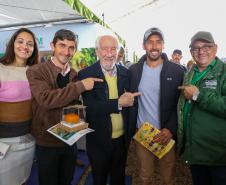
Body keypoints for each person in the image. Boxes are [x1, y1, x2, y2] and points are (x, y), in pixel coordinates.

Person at [26, 29, 102, 185]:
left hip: (69, 139)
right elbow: (46, 99)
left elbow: (73, 103)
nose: (66, 52)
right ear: (52, 45)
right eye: (62, 45)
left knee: (67, 180)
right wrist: (80, 86)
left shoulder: (74, 73)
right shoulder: (35, 71)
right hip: (47, 142)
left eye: (71, 47)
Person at [78, 34, 140, 185]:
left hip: (121, 140)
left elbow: (132, 104)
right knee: (99, 178)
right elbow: (91, 109)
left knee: (118, 177)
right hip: (98, 141)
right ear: (97, 52)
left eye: (113, 49)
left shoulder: (127, 73)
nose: (110, 53)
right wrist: (118, 103)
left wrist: (130, 132)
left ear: (118, 51)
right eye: (105, 49)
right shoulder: (86, 74)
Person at [129, 27, 184, 185]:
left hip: (165, 134)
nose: (154, 46)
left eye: (158, 42)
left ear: (163, 45)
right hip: (143, 133)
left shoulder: (176, 71)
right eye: (150, 42)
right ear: (143, 45)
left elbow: (179, 104)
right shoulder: (134, 70)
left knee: (168, 178)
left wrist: (170, 129)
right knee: (145, 177)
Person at [177, 31, 226, 185]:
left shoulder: (223, 72)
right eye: (195, 48)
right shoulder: (190, 73)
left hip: (218, 154)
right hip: (196, 152)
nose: (201, 51)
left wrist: (199, 96)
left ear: (215, 48)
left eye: (206, 46)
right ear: (191, 52)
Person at [0, 28, 39, 185]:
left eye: (30, 44)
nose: (25, 46)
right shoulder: (1, 70)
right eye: (20, 41)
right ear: (12, 44)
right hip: (4, 142)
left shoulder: (34, 72)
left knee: (23, 179)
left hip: (28, 138)